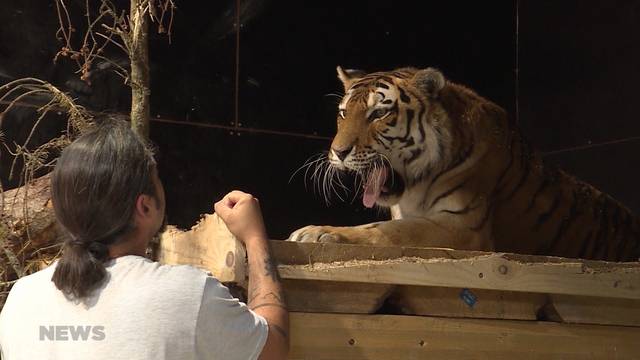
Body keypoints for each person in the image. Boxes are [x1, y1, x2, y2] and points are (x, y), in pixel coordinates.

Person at [0, 119, 289, 359]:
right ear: (145, 206)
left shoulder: (21, 299)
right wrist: (254, 236)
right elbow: (272, 347)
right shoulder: (186, 294)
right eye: (158, 179)